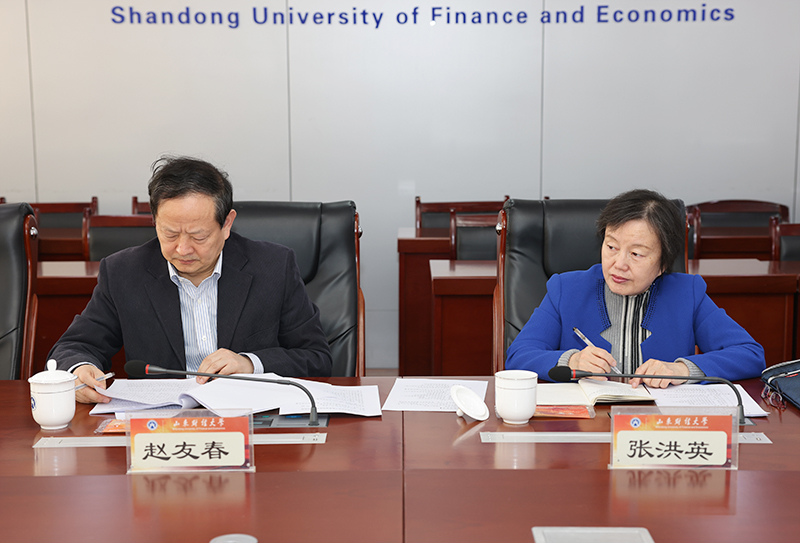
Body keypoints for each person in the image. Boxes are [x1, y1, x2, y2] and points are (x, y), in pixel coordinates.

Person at [50, 156, 333, 403]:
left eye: (199, 236)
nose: (183, 249)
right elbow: (74, 347)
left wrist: (250, 363)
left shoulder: (273, 267)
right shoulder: (123, 272)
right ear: (154, 221)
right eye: (170, 234)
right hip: (161, 427)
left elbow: (316, 357)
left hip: (251, 419)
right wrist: (79, 370)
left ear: (227, 224)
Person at [505, 189, 765, 388]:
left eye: (637, 254)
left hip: (657, 429)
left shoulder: (688, 294)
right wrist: (572, 361)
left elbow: (750, 354)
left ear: (663, 264)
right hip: (584, 426)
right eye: (611, 247)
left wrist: (681, 370)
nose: (619, 264)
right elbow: (518, 355)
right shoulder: (566, 290)